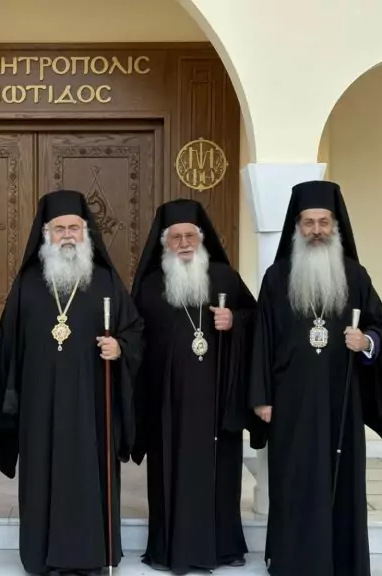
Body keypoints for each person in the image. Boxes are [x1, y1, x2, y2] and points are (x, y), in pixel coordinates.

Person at [0, 189, 144, 576]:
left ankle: (91, 555)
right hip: (39, 408)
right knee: (42, 478)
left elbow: (135, 330)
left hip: (92, 407)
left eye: (74, 228)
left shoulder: (105, 281)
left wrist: (119, 348)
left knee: (90, 476)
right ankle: (42, 556)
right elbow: (8, 347)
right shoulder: (28, 284)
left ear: (86, 233)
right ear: (46, 234)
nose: (68, 235)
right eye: (60, 229)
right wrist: (11, 400)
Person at [248, 180, 382, 576]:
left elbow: (379, 326)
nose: (316, 230)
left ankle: (342, 562)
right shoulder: (277, 278)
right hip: (291, 403)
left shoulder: (356, 276)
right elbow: (261, 339)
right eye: (308, 223)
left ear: (335, 226)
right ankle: (292, 561)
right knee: (293, 481)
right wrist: (261, 397)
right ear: (297, 227)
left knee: (341, 483)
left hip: (341, 401)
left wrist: (367, 342)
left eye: (324, 222)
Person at [130, 199, 257, 572]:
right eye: (176, 237)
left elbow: (257, 320)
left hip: (217, 400)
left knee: (220, 476)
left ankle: (223, 548)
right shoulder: (150, 286)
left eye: (190, 236)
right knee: (170, 477)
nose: (184, 243)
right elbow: (134, 340)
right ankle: (169, 550)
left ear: (201, 239)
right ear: (164, 243)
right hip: (167, 405)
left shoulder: (225, 278)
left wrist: (234, 320)